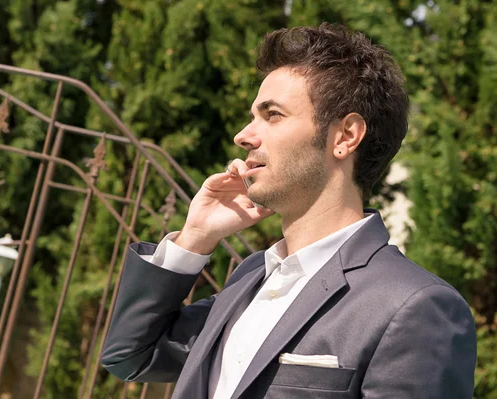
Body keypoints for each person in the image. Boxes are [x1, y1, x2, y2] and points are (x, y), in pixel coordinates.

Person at [101, 23, 477, 398]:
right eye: (253, 116)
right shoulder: (251, 277)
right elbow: (131, 355)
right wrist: (195, 239)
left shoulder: (414, 306)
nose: (244, 136)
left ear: (345, 136)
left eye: (273, 115)